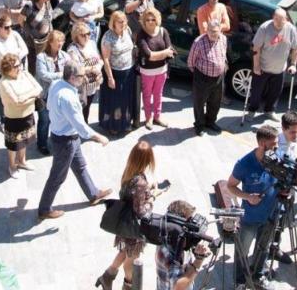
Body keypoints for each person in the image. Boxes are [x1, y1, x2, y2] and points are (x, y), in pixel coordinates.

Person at [37, 63, 111, 220]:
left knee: (80, 166)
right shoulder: (69, 98)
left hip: (66, 136)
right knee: (57, 177)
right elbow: (82, 127)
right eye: (81, 76)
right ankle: (44, 209)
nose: (84, 78)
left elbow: (49, 106)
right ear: (72, 77)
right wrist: (100, 138)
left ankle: (93, 194)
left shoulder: (56, 84)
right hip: (66, 142)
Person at [96, 140, 156, 290]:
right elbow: (140, 211)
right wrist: (152, 197)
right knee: (132, 258)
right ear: (148, 160)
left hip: (125, 222)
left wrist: (147, 191)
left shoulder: (129, 172)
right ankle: (128, 284)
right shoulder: (140, 182)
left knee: (125, 251)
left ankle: (107, 276)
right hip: (134, 227)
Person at [227, 124, 280, 290]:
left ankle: (257, 274)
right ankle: (240, 281)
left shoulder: (277, 158)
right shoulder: (244, 163)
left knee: (263, 248)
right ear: (262, 144)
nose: (277, 149)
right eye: (274, 145)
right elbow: (230, 186)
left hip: (271, 214)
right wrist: (248, 197)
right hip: (250, 217)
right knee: (242, 251)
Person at [249, 9, 297, 120]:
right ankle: (252, 110)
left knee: (275, 92)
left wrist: (293, 64)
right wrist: (256, 66)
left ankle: (269, 110)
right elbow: (256, 47)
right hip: (262, 67)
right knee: (256, 92)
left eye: (281, 20)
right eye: (275, 19)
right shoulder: (265, 28)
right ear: (273, 17)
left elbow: (296, 48)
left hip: (279, 69)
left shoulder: (291, 29)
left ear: (286, 19)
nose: (277, 22)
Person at [0, 53, 42, 177]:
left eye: (20, 65)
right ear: (8, 68)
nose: (20, 68)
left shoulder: (25, 74)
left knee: (25, 140)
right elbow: (16, 101)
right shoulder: (4, 82)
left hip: (28, 114)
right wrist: (32, 95)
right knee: (13, 144)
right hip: (14, 118)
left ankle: (22, 161)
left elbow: (38, 88)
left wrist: (26, 97)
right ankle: (12, 165)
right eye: (16, 66)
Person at [154, 199, 210, 290]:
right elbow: (178, 286)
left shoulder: (169, 238)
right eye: (189, 222)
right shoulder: (169, 253)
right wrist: (199, 260)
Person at [136, 8, 175, 130]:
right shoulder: (141, 35)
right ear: (144, 21)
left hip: (162, 70)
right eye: (147, 19)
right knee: (147, 95)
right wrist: (164, 53)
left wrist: (160, 54)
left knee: (158, 94)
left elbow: (171, 50)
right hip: (147, 72)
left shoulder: (163, 31)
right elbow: (149, 56)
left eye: (153, 19)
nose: (150, 22)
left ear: (157, 19)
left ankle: (157, 116)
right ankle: (148, 118)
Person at [187, 18, 227, 136]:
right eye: (210, 31)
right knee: (199, 103)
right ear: (206, 30)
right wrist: (199, 74)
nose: (212, 33)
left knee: (215, 102)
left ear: (220, 30)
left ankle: (210, 122)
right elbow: (191, 62)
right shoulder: (198, 42)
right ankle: (199, 125)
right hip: (203, 77)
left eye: (215, 31)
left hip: (219, 77)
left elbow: (223, 54)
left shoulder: (223, 39)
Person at [100, 11, 136, 136]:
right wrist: (110, 78)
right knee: (115, 102)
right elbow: (105, 59)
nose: (123, 23)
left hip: (129, 71)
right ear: (113, 23)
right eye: (120, 22)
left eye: (125, 21)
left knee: (126, 100)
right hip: (115, 74)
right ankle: (113, 125)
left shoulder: (128, 31)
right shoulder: (108, 37)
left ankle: (125, 123)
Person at [35, 31, 71, 155]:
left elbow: (70, 71)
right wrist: (61, 75)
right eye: (58, 41)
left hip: (60, 95)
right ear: (50, 42)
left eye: (62, 41)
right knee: (44, 121)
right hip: (46, 95)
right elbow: (43, 75)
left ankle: (56, 142)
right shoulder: (41, 57)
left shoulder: (65, 56)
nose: (60, 43)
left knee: (58, 120)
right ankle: (42, 144)